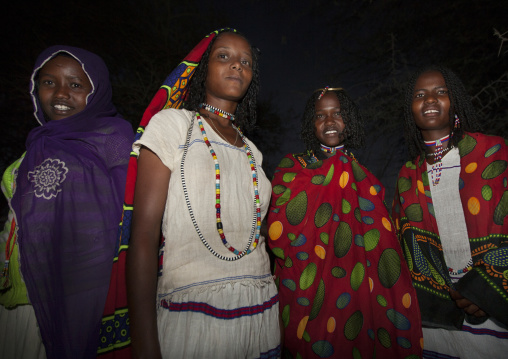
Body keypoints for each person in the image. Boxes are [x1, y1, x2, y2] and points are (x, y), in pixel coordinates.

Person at [125, 28, 281, 358]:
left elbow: (257, 227)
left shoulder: (253, 151)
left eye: (245, 61)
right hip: (194, 317)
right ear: (203, 68)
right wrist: (143, 342)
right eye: (223, 56)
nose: (237, 66)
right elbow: (143, 235)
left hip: (263, 314)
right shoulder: (171, 126)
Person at [267, 87, 423, 358]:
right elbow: (278, 232)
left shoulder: (366, 179)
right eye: (320, 115)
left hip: (357, 296)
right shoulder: (292, 168)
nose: (329, 121)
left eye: (337, 113)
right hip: (309, 290)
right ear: (310, 123)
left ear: (348, 120)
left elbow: (383, 243)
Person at [0, 46, 133, 358]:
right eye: (49, 82)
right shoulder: (33, 148)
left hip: (80, 302)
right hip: (18, 301)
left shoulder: (113, 139)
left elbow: (129, 213)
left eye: (75, 85)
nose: (60, 93)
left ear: (96, 90)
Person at [392, 65, 508, 358]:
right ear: (411, 109)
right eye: (420, 94)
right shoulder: (408, 175)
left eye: (440, 92)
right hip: (435, 326)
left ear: (454, 101)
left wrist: (487, 288)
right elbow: (399, 248)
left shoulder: (495, 153)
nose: (430, 99)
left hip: (494, 316)